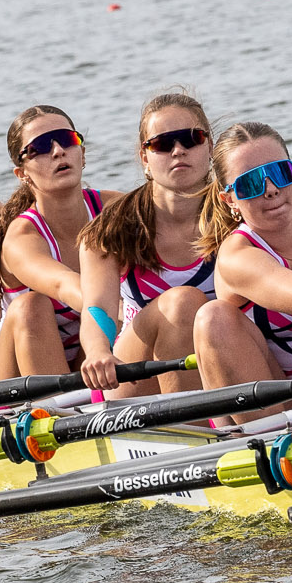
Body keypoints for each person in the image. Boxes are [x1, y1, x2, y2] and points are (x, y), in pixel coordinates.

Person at [77, 91, 217, 396]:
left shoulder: (236, 210)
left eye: (191, 138)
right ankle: (191, 427)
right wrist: (99, 351)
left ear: (210, 146)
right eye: (162, 144)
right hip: (134, 374)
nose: (178, 150)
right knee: (182, 304)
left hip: (218, 356)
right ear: (145, 158)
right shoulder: (113, 229)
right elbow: (98, 309)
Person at [0, 105, 113, 379]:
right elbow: (65, 284)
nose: (58, 151)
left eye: (68, 140)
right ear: (22, 174)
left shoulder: (115, 208)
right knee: (30, 306)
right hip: (19, 376)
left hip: (95, 354)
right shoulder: (22, 238)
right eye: (41, 147)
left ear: (82, 153)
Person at [192, 121, 292, 391]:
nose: (272, 188)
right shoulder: (237, 256)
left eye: (280, 172)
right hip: (279, 403)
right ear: (229, 199)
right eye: (251, 183)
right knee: (213, 318)